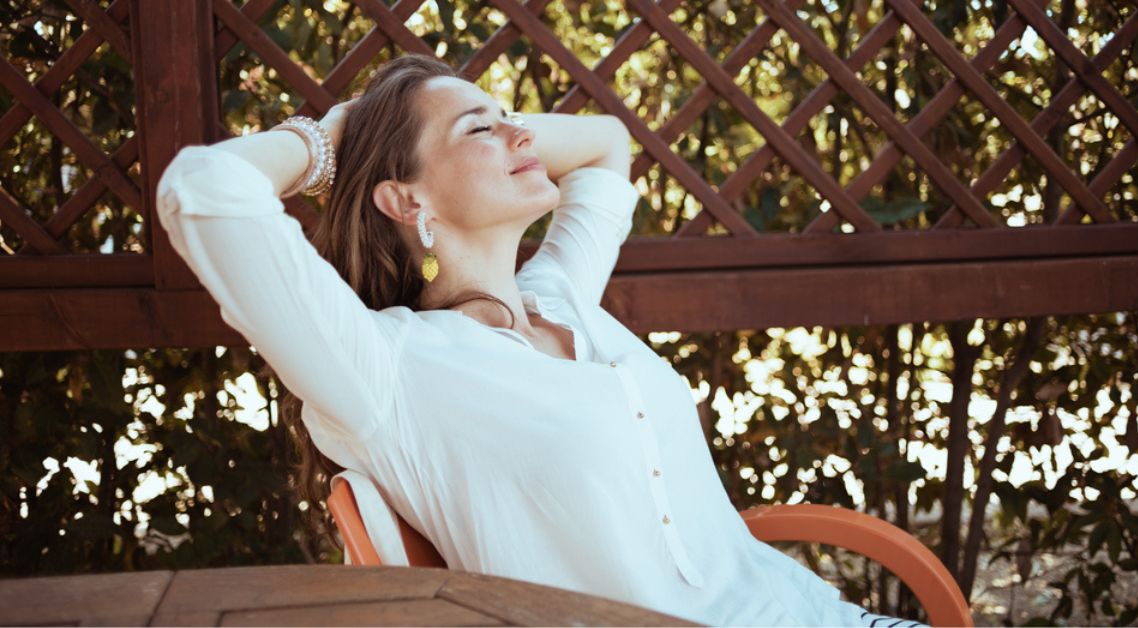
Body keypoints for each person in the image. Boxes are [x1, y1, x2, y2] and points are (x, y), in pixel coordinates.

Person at [155, 54, 923, 627]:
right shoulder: (385, 368)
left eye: (509, 117)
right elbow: (203, 190)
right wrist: (332, 139)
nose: (521, 132)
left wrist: (484, 126)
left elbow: (605, 142)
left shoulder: (559, 295)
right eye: (481, 129)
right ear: (404, 197)